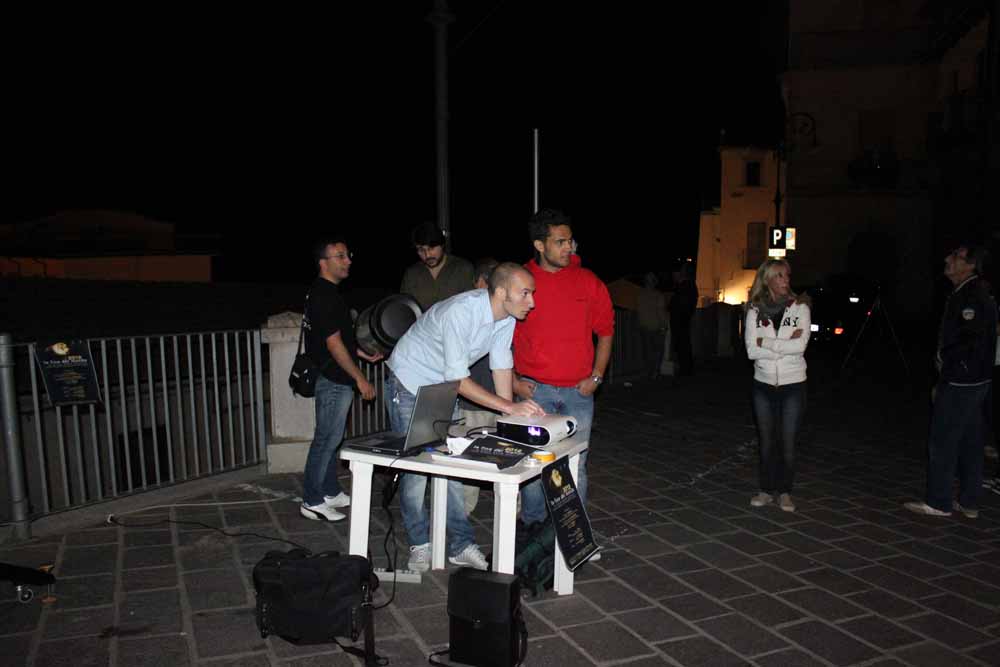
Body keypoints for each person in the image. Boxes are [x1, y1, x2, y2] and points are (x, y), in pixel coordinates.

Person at [386, 262, 546, 572]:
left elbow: (501, 366)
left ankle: (460, 546)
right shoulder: (461, 312)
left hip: (442, 387)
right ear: (501, 292)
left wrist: (510, 416)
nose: (532, 302)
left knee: (454, 466)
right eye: (525, 293)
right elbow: (459, 380)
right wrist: (510, 407)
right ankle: (419, 543)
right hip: (409, 383)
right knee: (416, 469)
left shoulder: (506, 317)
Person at [513, 209, 615, 528]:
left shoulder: (588, 281)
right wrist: (514, 382)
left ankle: (572, 532)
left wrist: (597, 376)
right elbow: (501, 335)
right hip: (535, 392)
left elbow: (606, 331)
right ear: (539, 245)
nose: (568, 247)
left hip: (577, 393)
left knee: (575, 465)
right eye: (560, 242)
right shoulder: (522, 282)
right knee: (532, 464)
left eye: (570, 240)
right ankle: (533, 529)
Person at [906, 244, 997, 518]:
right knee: (970, 440)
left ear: (970, 265)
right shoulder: (969, 291)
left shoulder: (971, 295)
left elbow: (969, 340)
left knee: (943, 439)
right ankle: (969, 502)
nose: (948, 259)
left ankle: (939, 501)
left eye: (956, 257)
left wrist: (946, 369)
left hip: (962, 380)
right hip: (974, 379)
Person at [300, 238, 383, 521]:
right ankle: (311, 500)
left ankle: (329, 491)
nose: (348, 260)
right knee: (326, 439)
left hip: (334, 375)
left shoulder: (326, 292)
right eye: (340, 256)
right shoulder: (324, 295)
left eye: (348, 254)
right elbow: (333, 344)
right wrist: (361, 379)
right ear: (323, 263)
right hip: (333, 378)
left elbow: (337, 337)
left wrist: (362, 353)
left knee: (333, 437)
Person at [744, 258, 811, 513]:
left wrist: (766, 343)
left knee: (788, 442)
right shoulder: (754, 310)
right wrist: (783, 345)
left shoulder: (800, 308)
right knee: (767, 441)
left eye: (787, 276)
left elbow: (800, 346)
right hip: (763, 385)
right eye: (779, 276)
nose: (785, 280)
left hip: (793, 384)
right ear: (767, 280)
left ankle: (785, 492)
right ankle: (765, 489)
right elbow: (751, 350)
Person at [456, 257, 501, 514]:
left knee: (504, 454)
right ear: (483, 283)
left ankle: (511, 506)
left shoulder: (502, 313)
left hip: (499, 396)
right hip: (473, 397)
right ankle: (463, 512)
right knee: (471, 456)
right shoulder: (467, 310)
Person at [400, 221, 475, 310]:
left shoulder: (463, 269)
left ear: (442, 245)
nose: (427, 255)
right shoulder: (411, 274)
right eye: (421, 250)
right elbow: (405, 309)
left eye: (431, 248)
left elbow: (472, 306)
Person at [637, 272, 669, 378]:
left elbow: (639, 311)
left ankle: (649, 371)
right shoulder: (658, 295)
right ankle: (655, 372)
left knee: (647, 352)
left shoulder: (640, 294)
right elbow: (661, 312)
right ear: (655, 282)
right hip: (656, 327)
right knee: (658, 351)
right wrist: (665, 325)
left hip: (644, 326)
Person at [669, 261, 698, 377]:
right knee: (683, 344)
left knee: (682, 345)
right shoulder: (688, 286)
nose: (673, 277)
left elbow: (678, 305)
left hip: (681, 320)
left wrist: (671, 306)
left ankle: (685, 370)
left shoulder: (685, 287)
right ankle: (686, 369)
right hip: (683, 320)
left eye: (675, 274)